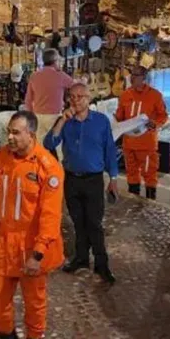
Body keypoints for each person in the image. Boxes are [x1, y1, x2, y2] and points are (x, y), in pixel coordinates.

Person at [0, 111, 64, 339]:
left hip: (30, 243)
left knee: (34, 299)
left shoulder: (48, 167)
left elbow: (50, 215)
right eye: (9, 132)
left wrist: (38, 254)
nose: (10, 137)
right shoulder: (2, 156)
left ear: (31, 134)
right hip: (2, 239)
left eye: (16, 133)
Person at [44, 83, 118, 284]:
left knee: (94, 223)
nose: (75, 100)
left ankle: (102, 264)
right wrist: (61, 121)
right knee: (78, 221)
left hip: (93, 180)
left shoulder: (101, 122)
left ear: (88, 99)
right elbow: (48, 144)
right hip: (72, 179)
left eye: (80, 96)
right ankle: (81, 258)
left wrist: (113, 178)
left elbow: (109, 150)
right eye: (72, 97)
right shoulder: (65, 122)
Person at [115, 65, 168, 200]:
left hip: (146, 143)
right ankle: (133, 203)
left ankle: (151, 205)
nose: (132, 78)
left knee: (149, 174)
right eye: (132, 74)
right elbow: (120, 117)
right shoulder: (125, 94)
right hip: (129, 143)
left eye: (136, 75)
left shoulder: (155, 95)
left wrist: (154, 123)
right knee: (131, 174)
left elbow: (163, 116)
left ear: (144, 78)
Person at [23, 48, 75, 114]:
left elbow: (28, 100)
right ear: (55, 61)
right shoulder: (60, 75)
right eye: (59, 60)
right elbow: (76, 86)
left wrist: (31, 115)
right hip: (55, 117)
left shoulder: (34, 76)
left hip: (38, 116)